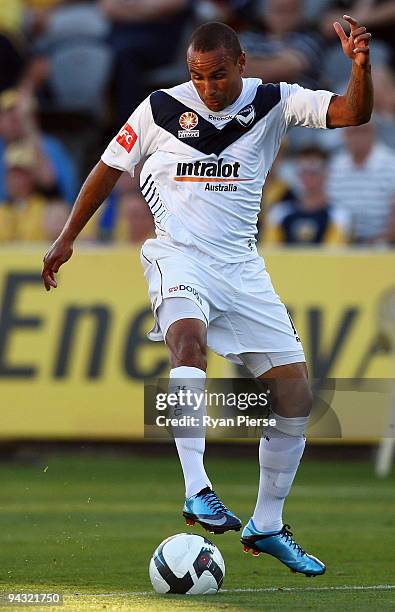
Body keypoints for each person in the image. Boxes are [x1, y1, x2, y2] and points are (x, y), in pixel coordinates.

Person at [42, 17, 373, 576]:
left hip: (243, 268)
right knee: (187, 344)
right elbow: (105, 168)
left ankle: (267, 523)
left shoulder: (276, 100)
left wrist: (359, 67)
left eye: (217, 75)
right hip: (178, 254)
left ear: (242, 65)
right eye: (197, 75)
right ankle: (197, 488)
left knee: (296, 398)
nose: (207, 87)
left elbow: (352, 113)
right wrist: (66, 237)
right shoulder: (159, 108)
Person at [264, 146, 350, 244]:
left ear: (326, 174)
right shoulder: (279, 213)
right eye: (304, 170)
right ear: (297, 173)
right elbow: (270, 251)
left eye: (314, 171)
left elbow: (334, 254)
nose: (308, 176)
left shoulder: (338, 216)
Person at [327, 121, 395, 243]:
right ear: (344, 135)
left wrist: (381, 240)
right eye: (352, 132)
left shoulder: (391, 166)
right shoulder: (335, 166)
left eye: (363, 131)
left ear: (373, 133)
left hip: (382, 244)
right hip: (339, 241)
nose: (357, 137)